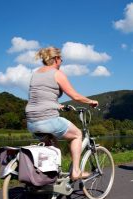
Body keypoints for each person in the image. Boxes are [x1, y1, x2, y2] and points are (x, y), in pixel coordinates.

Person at [25, 46, 98, 181]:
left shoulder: (35, 74)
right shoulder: (56, 73)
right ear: (56, 59)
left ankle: (52, 176)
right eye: (61, 60)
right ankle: (76, 171)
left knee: (53, 146)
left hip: (31, 121)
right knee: (77, 135)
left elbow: (39, 97)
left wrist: (58, 105)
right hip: (47, 118)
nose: (61, 62)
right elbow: (75, 96)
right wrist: (91, 101)